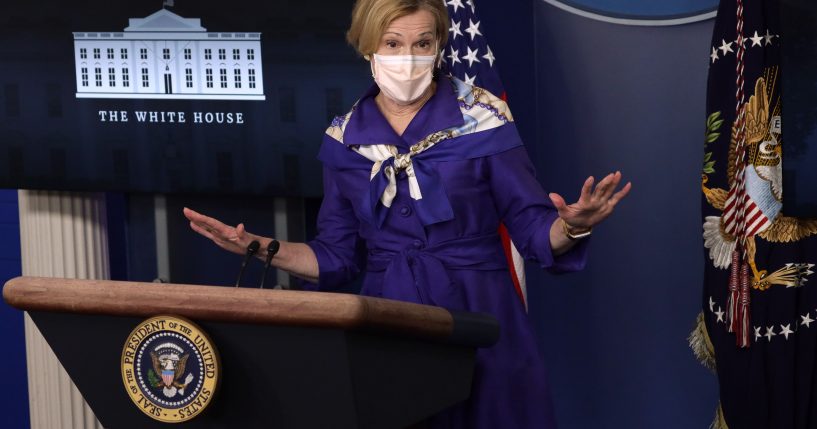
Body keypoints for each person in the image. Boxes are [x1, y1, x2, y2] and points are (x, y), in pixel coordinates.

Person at [184, 0, 631, 427]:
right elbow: (337, 256)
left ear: (439, 46)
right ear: (368, 47)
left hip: (481, 315)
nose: (409, 57)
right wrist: (260, 247)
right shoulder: (343, 139)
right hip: (390, 324)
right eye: (393, 43)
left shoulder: (485, 119)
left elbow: (533, 229)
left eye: (423, 43)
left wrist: (572, 225)